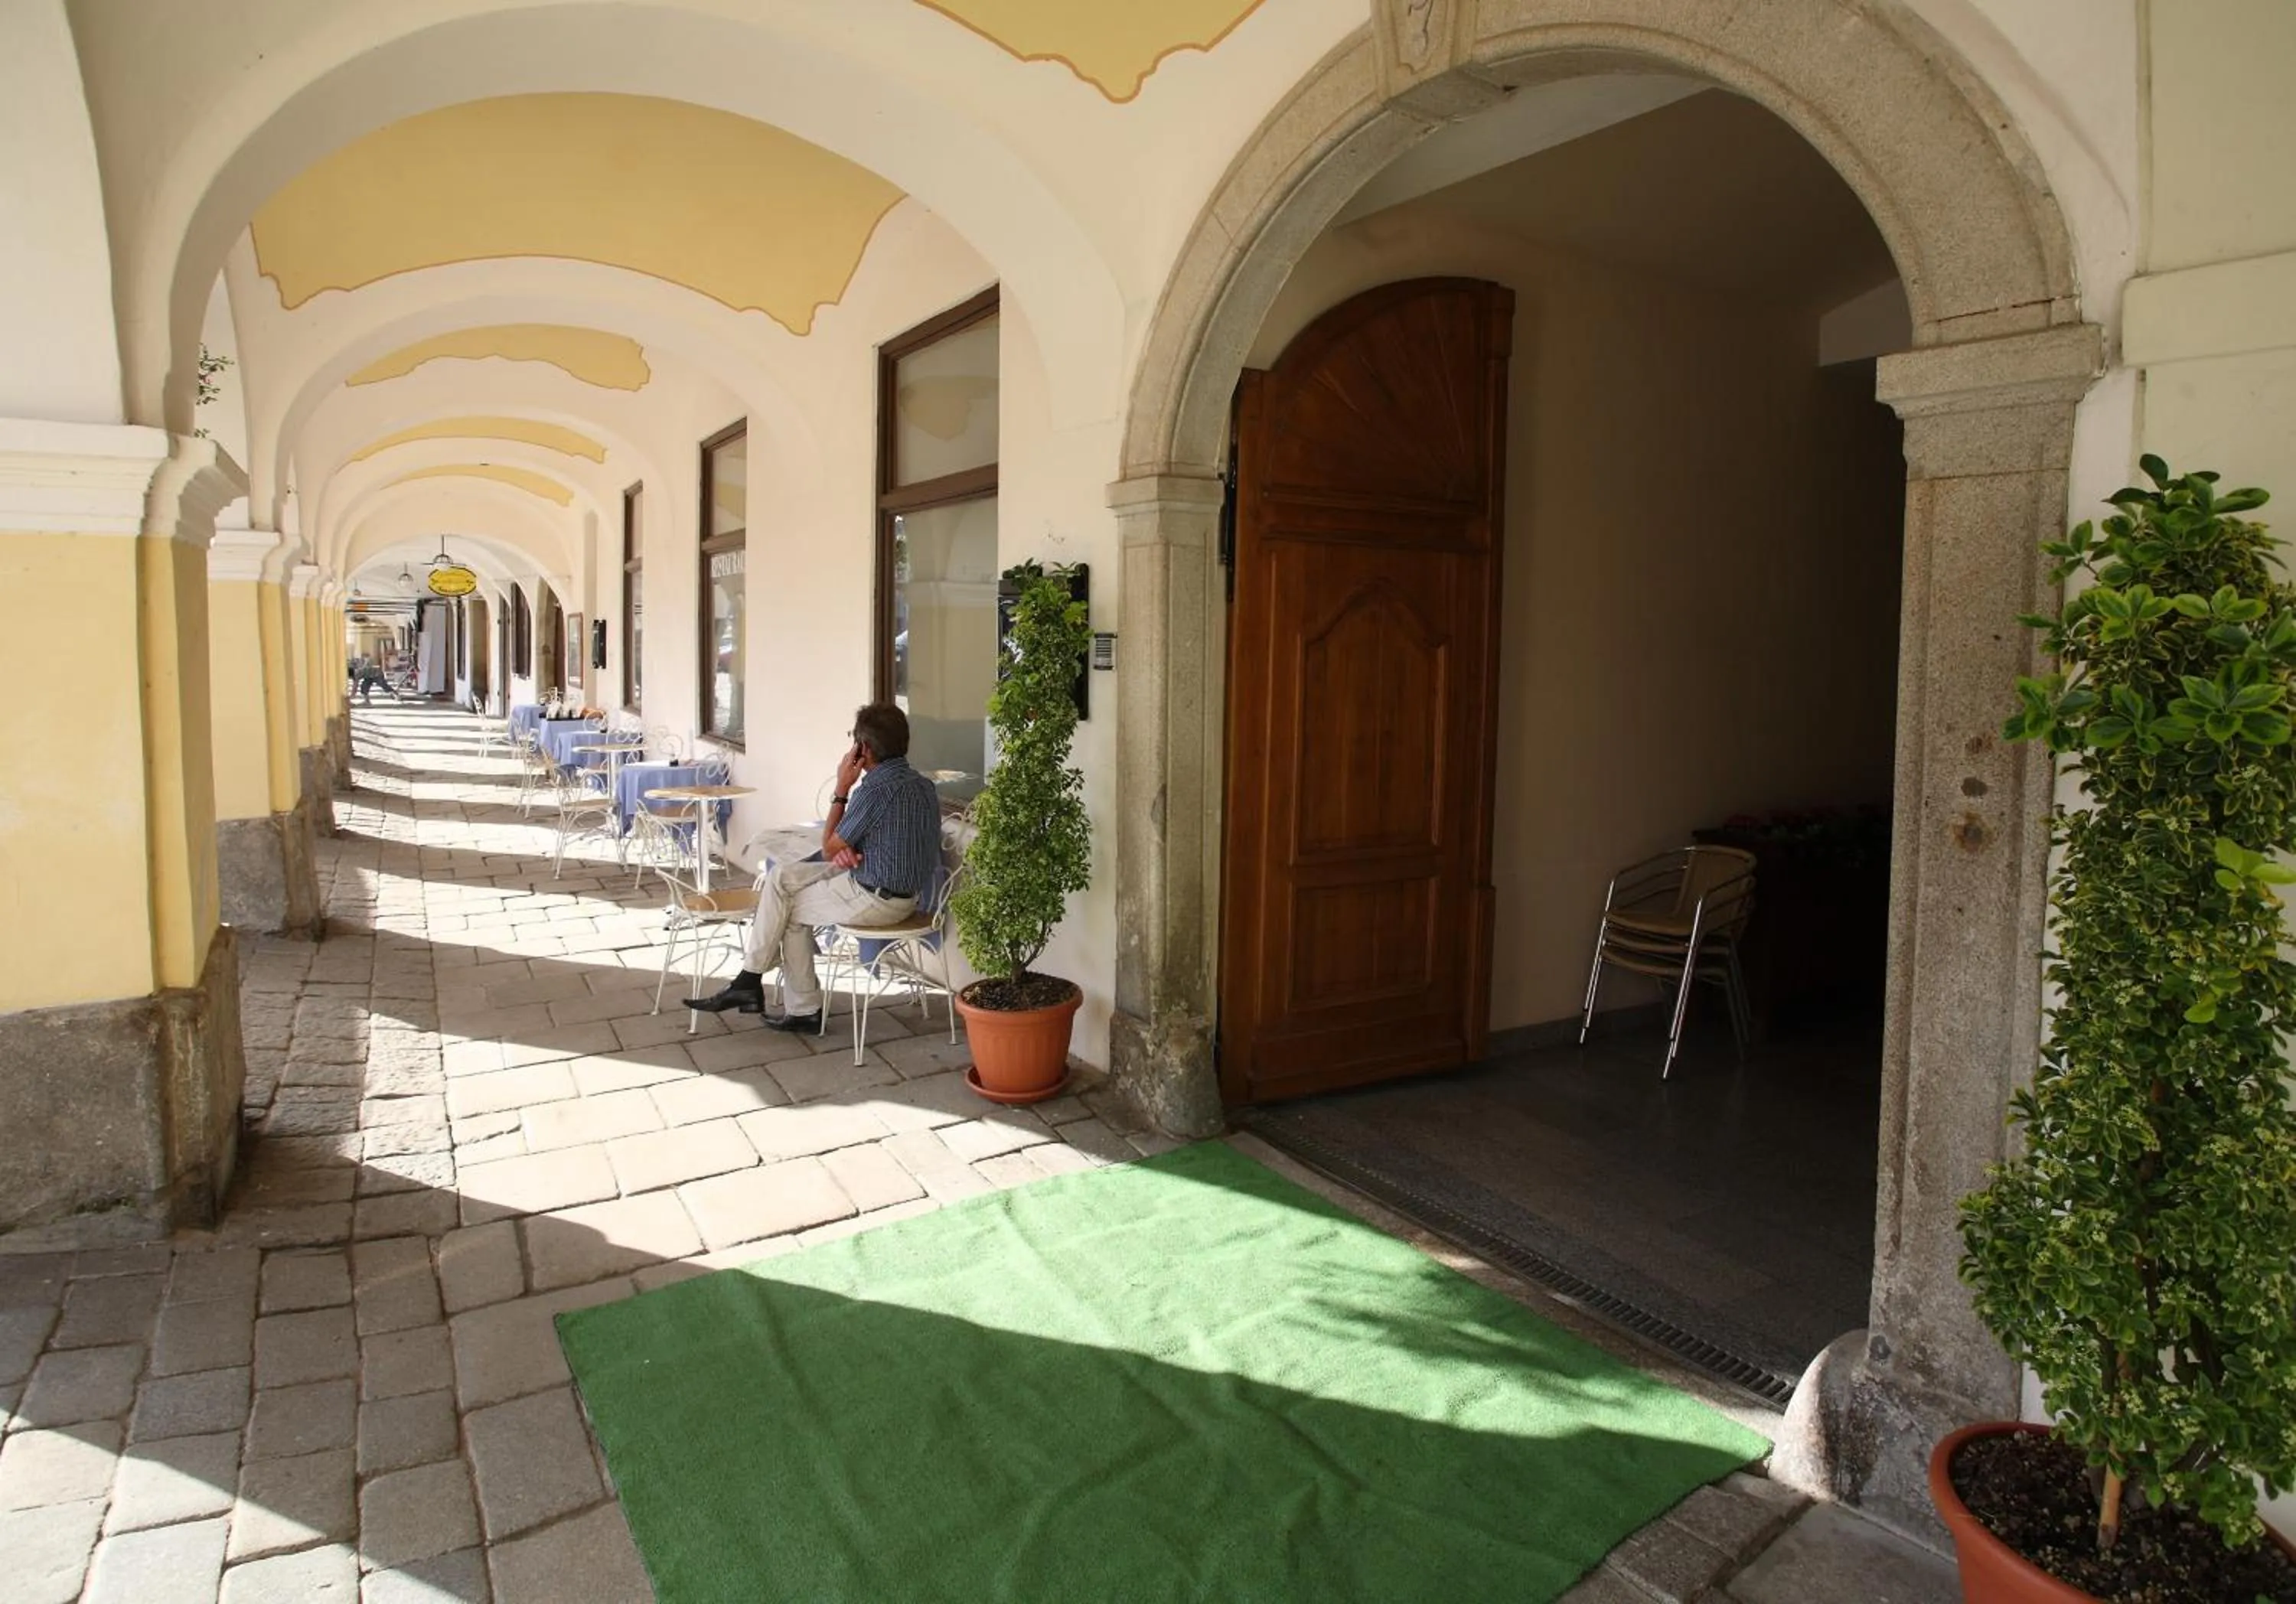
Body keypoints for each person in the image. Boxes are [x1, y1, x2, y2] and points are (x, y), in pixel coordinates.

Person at [686, 702, 943, 1032]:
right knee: (780, 878)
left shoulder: (876, 790)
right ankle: (750, 980)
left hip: (879, 900)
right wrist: (851, 846)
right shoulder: (923, 786)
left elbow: (829, 846)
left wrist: (841, 788)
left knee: (788, 912)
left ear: (862, 749)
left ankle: (795, 1004)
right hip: (901, 891)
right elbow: (878, 836)